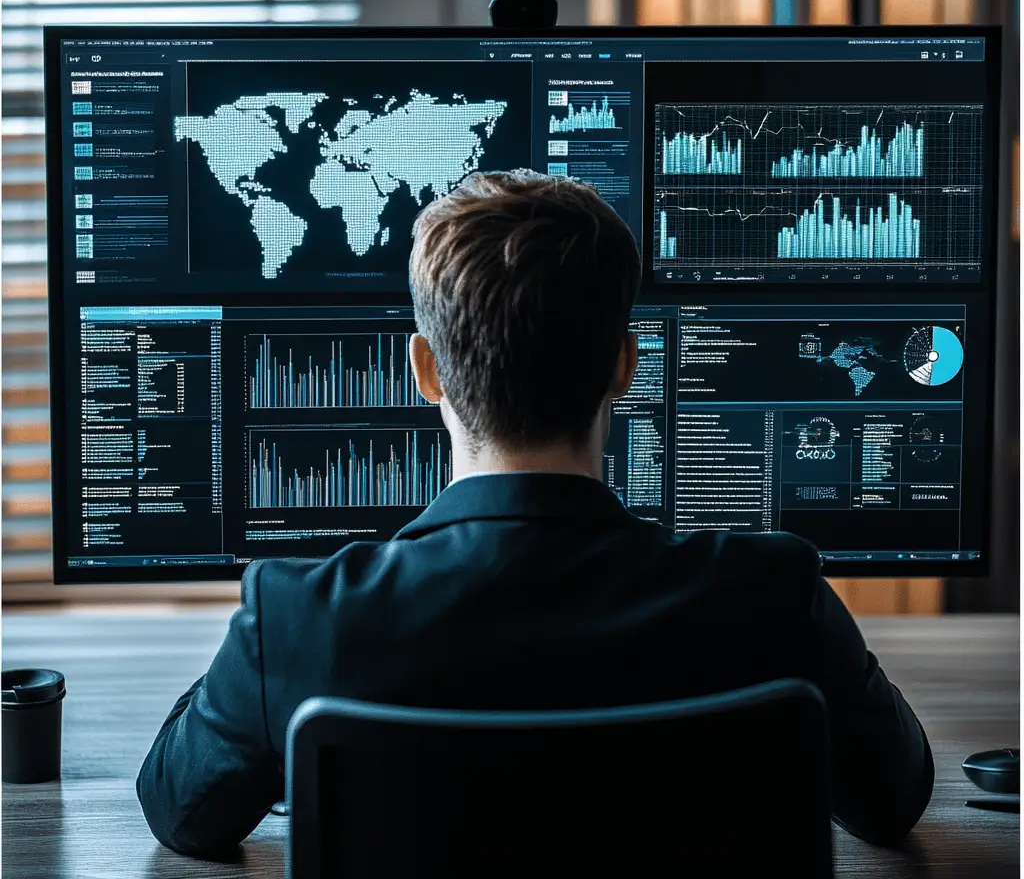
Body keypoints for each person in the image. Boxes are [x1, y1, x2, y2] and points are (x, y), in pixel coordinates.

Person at [137, 170, 933, 858]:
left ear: (425, 369)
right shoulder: (770, 594)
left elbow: (181, 814)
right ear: (624, 364)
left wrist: (260, 675)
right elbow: (894, 801)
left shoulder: (300, 619)